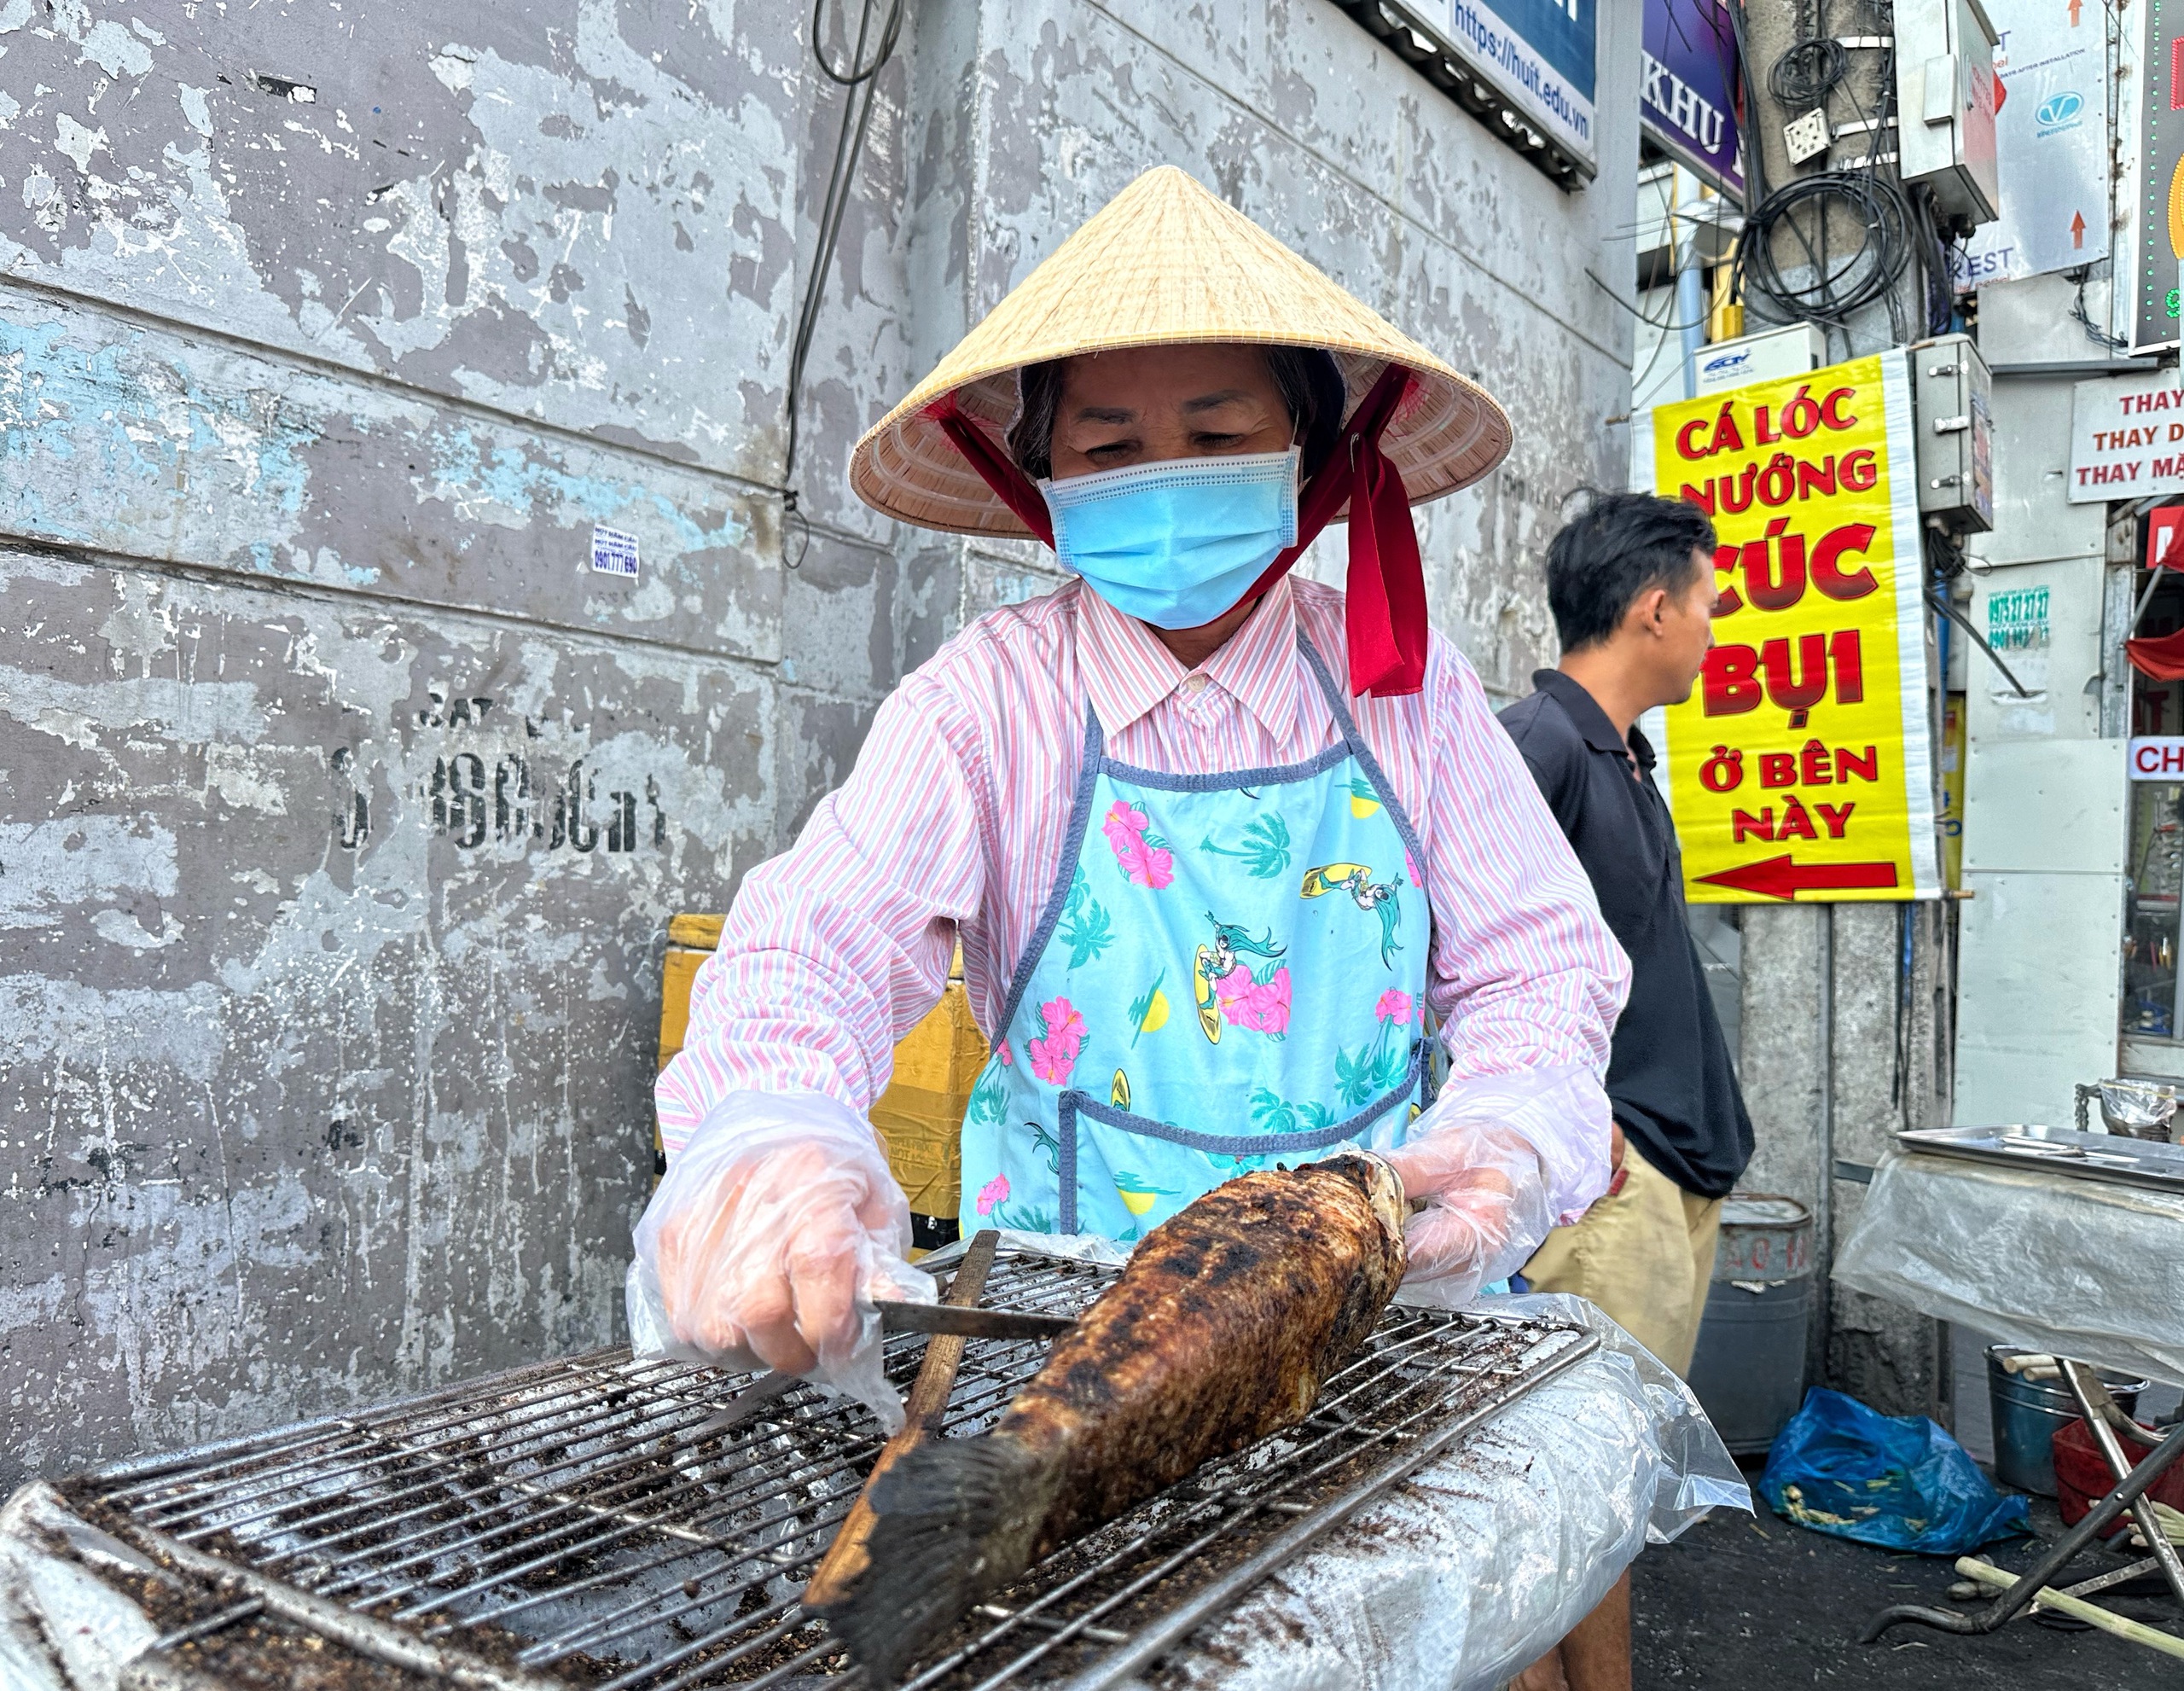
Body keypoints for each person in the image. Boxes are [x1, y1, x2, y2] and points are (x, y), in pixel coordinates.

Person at [629, 166, 1630, 1432]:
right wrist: (769, 1128)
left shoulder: (1408, 689)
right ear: (1040, 478)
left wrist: (1515, 1126)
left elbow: (1538, 961)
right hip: (1060, 1348)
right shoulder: (986, 703)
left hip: (1360, 1335)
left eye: (1218, 440)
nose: (1166, 477)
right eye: (1109, 447)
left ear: (1310, 460)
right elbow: (813, 940)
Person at [1496, 491, 1756, 1691]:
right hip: (1609, 1177)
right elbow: (1452, 949)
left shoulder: (1623, 759)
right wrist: (1562, 1098)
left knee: (1603, 1478)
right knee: (1571, 1472)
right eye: (1708, 604)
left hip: (1664, 1162)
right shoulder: (1537, 743)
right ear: (1653, 608)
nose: (1715, 629)